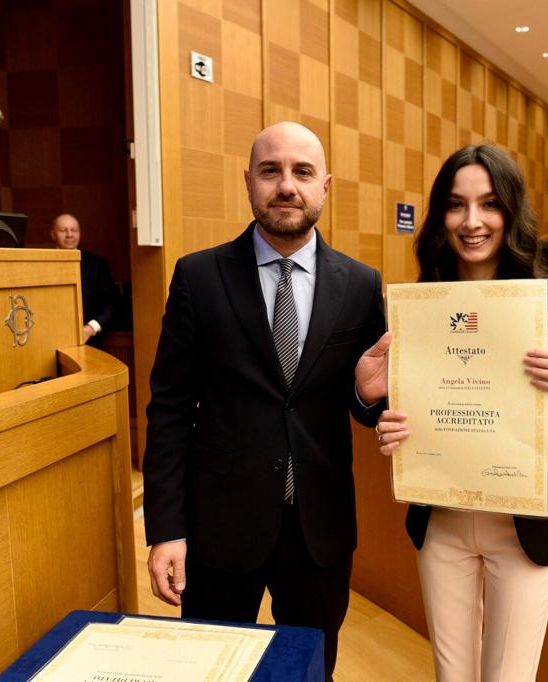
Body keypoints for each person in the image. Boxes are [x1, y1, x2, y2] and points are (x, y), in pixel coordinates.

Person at [141, 121, 389, 682]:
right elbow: (170, 410)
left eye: (302, 172)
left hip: (318, 532)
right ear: (247, 181)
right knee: (212, 672)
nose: (286, 186)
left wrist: (368, 395)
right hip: (218, 529)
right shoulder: (198, 277)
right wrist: (166, 529)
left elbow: (364, 403)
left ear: (326, 186)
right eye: (270, 170)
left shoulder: (360, 284)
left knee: (309, 672)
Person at [373, 144, 548, 680]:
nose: (472, 221)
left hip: (525, 527)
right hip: (443, 523)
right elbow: (401, 408)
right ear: (440, 217)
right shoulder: (419, 305)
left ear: (511, 211)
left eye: (489, 204)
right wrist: (390, 426)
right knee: (450, 675)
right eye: (457, 205)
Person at [50, 213, 117, 348]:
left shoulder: (97, 265)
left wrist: (90, 328)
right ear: (53, 234)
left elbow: (112, 305)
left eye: (74, 230)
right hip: (49, 342)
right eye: (63, 230)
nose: (69, 234)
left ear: (80, 233)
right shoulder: (41, 264)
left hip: (90, 342)